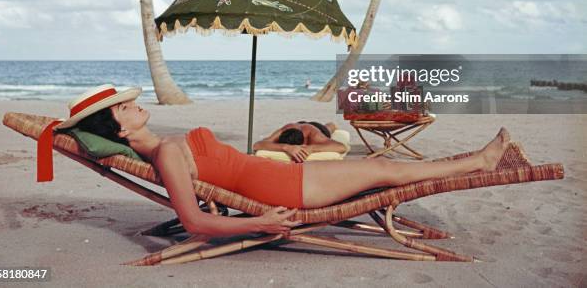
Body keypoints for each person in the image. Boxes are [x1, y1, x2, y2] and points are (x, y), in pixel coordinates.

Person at [38, 85, 511, 240]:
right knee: (388, 171)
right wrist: (258, 223)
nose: (134, 102)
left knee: (384, 171)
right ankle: (480, 162)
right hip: (282, 192)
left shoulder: (166, 144)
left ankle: (476, 161)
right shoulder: (165, 153)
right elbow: (193, 220)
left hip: (283, 175)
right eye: (125, 107)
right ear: (121, 130)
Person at [253, 121, 347, 162]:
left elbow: (342, 147)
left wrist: (312, 148)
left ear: (303, 143)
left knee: (329, 127)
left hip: (316, 128)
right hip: (298, 124)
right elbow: (257, 145)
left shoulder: (314, 136)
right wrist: (286, 147)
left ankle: (332, 125)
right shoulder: (284, 131)